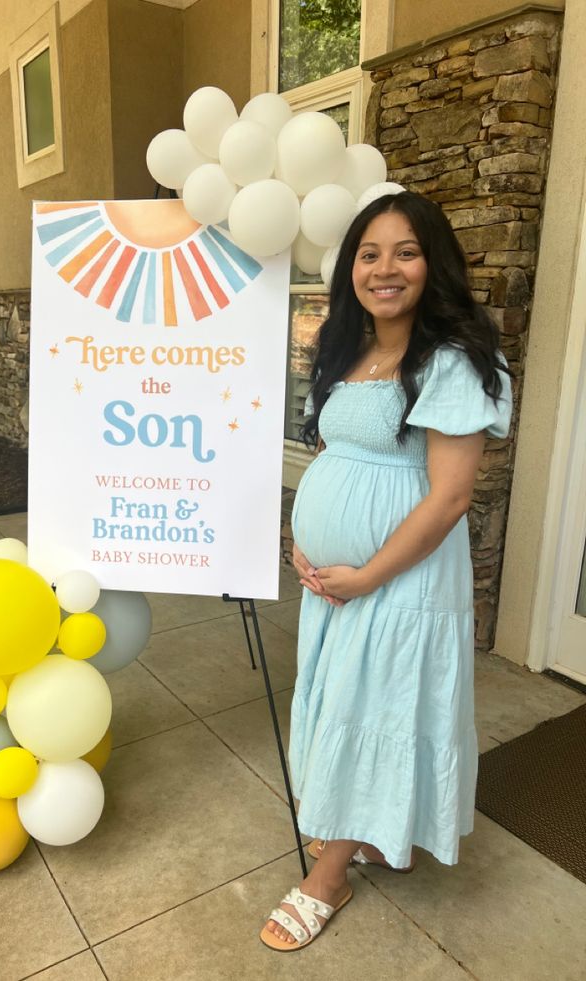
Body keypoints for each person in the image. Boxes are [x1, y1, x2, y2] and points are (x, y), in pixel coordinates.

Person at [260, 191, 513, 952]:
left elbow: (450, 496)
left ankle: (328, 875)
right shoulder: (349, 346)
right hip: (337, 582)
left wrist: (367, 574)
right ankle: (362, 828)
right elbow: (337, 456)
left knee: (369, 706)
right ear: (351, 270)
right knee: (344, 697)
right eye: (369, 253)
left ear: (433, 263)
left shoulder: (453, 359)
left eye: (405, 251)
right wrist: (304, 538)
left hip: (398, 579)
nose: (384, 268)